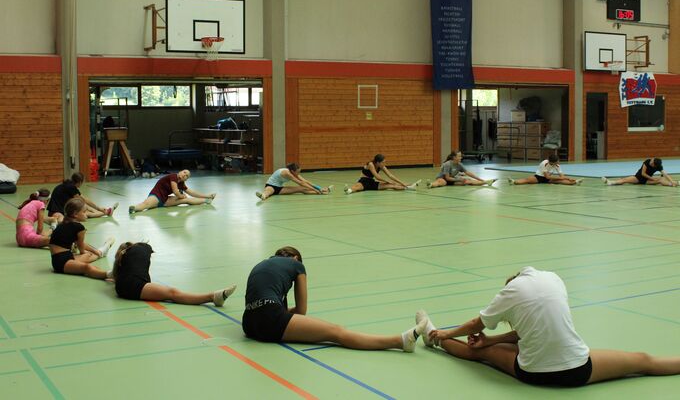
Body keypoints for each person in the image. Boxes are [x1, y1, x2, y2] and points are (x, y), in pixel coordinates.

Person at [419, 266, 680, 387]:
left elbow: (476, 324)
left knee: (479, 353)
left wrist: (450, 332)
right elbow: (536, 327)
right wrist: (493, 339)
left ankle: (435, 337)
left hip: (534, 374)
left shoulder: (509, 293)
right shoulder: (553, 279)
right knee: (643, 360)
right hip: (579, 370)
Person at [242, 246, 426, 351]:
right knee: (336, 332)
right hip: (270, 319)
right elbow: (301, 310)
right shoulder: (296, 265)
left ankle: (400, 341)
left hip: (249, 324)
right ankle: (400, 341)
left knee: (326, 330)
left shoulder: (261, 264)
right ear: (296, 258)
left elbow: (269, 306)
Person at [111, 241, 236, 306]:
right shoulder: (141, 247)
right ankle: (212, 297)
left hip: (123, 287)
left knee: (171, 293)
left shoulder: (121, 265)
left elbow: (108, 274)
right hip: (133, 285)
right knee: (172, 293)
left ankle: (213, 297)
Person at [48, 197, 115, 279]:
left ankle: (101, 252)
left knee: (90, 255)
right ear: (75, 214)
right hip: (63, 263)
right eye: (84, 212)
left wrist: (94, 251)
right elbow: (81, 248)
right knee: (87, 267)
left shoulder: (63, 223)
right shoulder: (79, 227)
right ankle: (110, 274)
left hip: (61, 259)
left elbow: (80, 244)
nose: (86, 214)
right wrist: (86, 253)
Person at [129, 169, 215, 213]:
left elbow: (193, 193)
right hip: (156, 196)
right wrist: (182, 196)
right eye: (184, 172)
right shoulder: (173, 176)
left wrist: (208, 195)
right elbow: (175, 192)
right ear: (180, 172)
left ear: (186, 179)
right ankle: (134, 208)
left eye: (187, 176)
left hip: (165, 200)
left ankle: (206, 200)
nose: (184, 175)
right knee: (146, 204)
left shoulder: (181, 183)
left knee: (186, 199)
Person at [47, 172, 118, 222]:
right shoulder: (71, 187)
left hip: (57, 210)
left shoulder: (69, 185)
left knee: (85, 210)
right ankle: (106, 212)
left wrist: (97, 209)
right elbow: (84, 200)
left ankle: (107, 212)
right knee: (85, 213)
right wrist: (99, 208)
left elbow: (83, 200)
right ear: (80, 182)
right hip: (56, 212)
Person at [344, 154, 421, 194]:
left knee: (392, 185)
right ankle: (348, 190)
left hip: (371, 182)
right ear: (378, 162)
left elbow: (390, 175)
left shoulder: (381, 166)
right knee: (357, 187)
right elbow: (377, 177)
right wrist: (387, 181)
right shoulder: (371, 164)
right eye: (383, 162)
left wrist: (402, 183)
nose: (384, 164)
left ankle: (409, 187)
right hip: (363, 181)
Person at [256, 163, 332, 201]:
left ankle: (322, 192)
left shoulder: (294, 173)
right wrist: (314, 189)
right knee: (268, 191)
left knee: (302, 189)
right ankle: (263, 196)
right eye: (298, 172)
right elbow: (300, 183)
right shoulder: (286, 173)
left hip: (280, 189)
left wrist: (319, 188)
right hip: (270, 185)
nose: (298, 173)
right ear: (292, 171)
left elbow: (305, 181)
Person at [427, 151, 496, 188]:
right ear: (454, 157)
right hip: (443, 178)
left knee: (468, 181)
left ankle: (486, 182)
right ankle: (431, 184)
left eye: (461, 156)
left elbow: (468, 173)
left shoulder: (459, 164)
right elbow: (447, 178)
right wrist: (459, 179)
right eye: (459, 156)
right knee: (442, 183)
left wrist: (480, 179)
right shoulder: (447, 164)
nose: (461, 157)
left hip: (452, 180)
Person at [508, 154, 582, 186]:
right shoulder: (544, 163)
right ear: (551, 162)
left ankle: (575, 182)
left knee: (561, 181)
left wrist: (568, 178)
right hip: (539, 177)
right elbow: (547, 177)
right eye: (556, 162)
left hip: (549, 179)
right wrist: (564, 178)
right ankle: (513, 181)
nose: (558, 162)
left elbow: (561, 175)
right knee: (527, 180)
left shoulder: (557, 165)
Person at [602, 158, 678, 187]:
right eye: (652, 161)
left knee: (661, 179)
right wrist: (652, 179)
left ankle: (673, 184)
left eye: (652, 163)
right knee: (625, 180)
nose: (651, 163)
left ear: (655, 165)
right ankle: (610, 182)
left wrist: (671, 181)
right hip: (638, 178)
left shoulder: (658, 166)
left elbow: (665, 174)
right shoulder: (647, 161)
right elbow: (643, 174)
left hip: (647, 181)